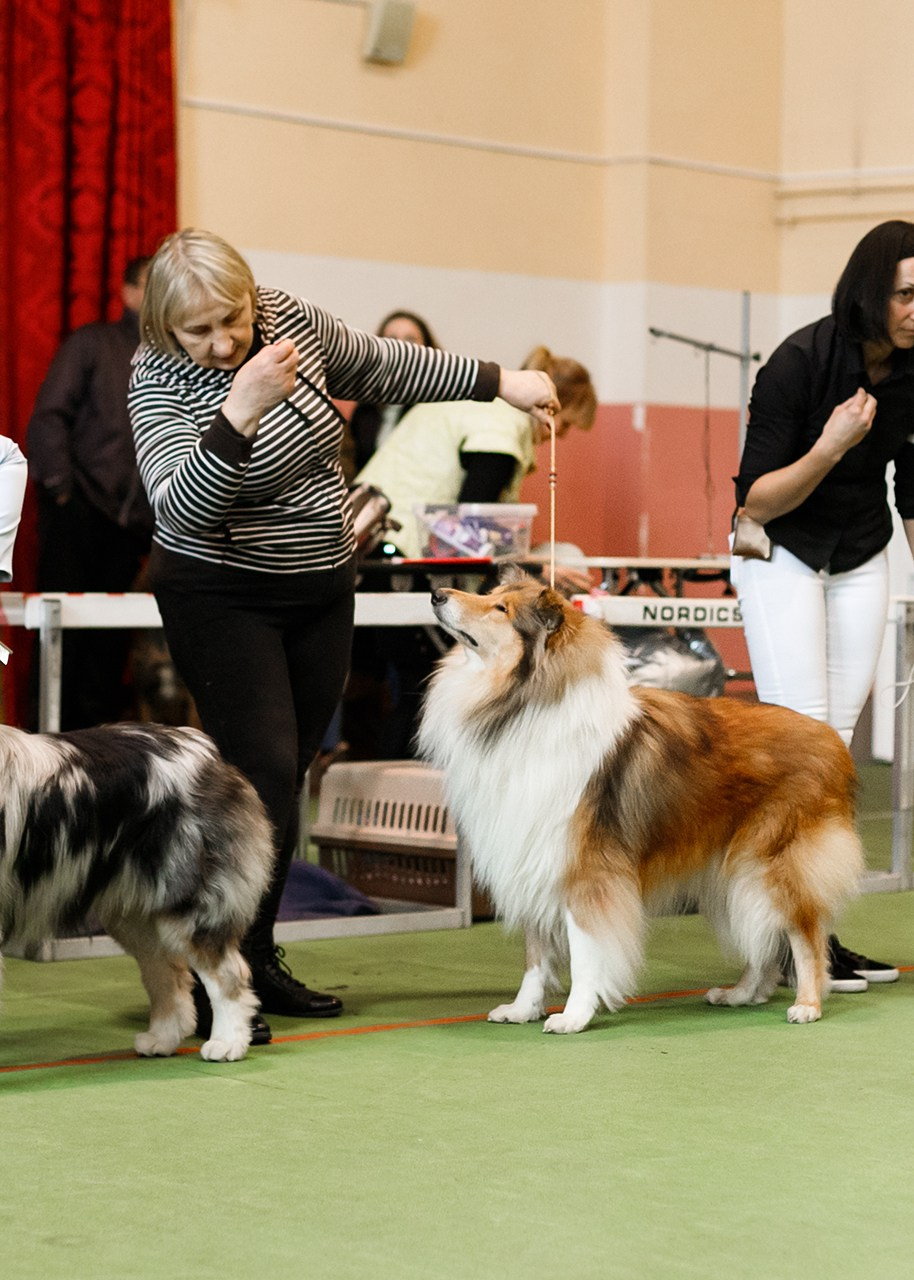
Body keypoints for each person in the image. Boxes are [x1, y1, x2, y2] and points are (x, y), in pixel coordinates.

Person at [127, 228, 562, 1044]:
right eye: (201, 331)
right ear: (165, 329)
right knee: (252, 769)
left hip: (318, 585)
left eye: (235, 317)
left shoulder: (289, 320)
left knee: (293, 769)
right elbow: (183, 508)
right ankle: (218, 975)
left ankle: (253, 953)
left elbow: (387, 363)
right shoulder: (157, 379)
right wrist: (240, 406)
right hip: (222, 595)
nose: (225, 341)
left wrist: (504, 381)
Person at [732, 218, 914, 992]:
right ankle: (780, 940)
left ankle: (815, 937)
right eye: (909, 294)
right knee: (798, 744)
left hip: (862, 551)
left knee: (833, 754)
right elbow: (758, 502)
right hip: (781, 554)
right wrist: (832, 446)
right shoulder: (799, 363)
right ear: (873, 294)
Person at [351, 347, 597, 755]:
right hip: (400, 551)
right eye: (566, 426)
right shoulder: (501, 427)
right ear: (554, 408)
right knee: (421, 686)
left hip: (377, 538)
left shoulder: (481, 408)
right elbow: (469, 528)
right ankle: (412, 803)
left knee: (404, 686)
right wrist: (534, 564)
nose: (561, 438)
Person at [26, 256, 154, 729]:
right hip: (77, 514)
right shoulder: (94, 343)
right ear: (129, 292)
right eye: (152, 284)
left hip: (134, 529)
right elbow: (48, 417)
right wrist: (62, 492)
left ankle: (94, 769)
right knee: (58, 643)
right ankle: (41, 755)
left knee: (108, 652)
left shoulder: (176, 355)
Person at [342, 309, 438, 480]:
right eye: (392, 339)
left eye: (410, 339)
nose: (400, 346)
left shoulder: (437, 404)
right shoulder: (365, 407)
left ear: (427, 347)